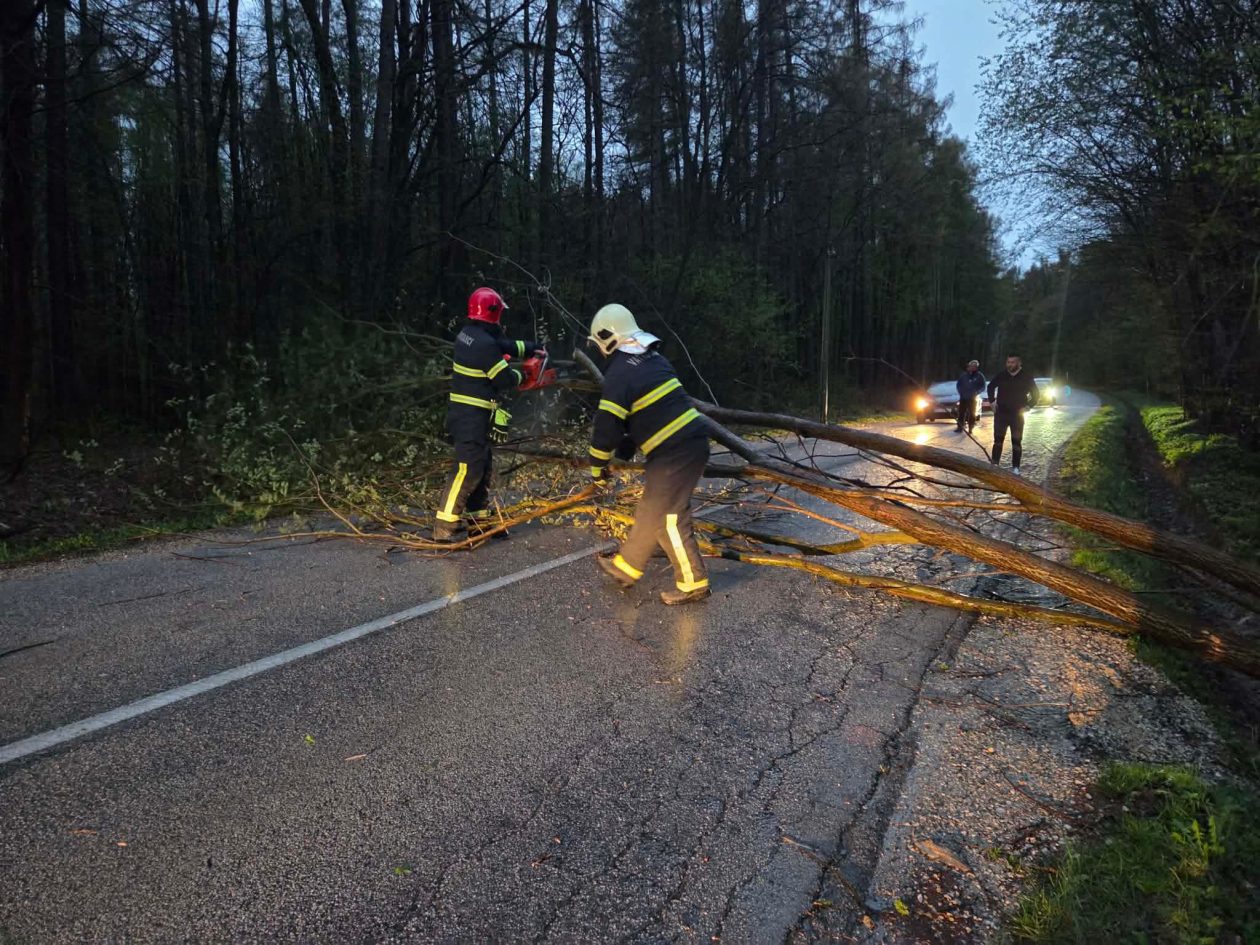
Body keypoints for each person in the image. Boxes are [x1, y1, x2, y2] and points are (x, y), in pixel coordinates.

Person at [586, 303, 711, 606]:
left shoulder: (618, 375)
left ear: (606, 338)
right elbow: (635, 423)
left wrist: (597, 468)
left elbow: (607, 429)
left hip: (674, 452)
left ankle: (692, 582)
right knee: (653, 511)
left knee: (666, 517)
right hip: (688, 444)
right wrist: (623, 456)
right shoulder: (653, 360)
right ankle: (625, 570)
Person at [433, 287, 543, 542]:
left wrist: (531, 348)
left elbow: (502, 345)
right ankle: (443, 527)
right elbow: (503, 378)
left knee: (481, 468)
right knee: (467, 470)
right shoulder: (483, 345)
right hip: (470, 418)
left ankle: (479, 523)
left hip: (472, 416)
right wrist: (526, 374)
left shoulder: (469, 334)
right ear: (494, 313)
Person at [987, 354, 1039, 475]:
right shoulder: (1002, 375)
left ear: (1019, 363)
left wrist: (1029, 406)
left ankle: (1016, 467)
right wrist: (992, 401)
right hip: (1001, 414)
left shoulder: (1026, 377)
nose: (1009, 365)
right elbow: (990, 387)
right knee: (998, 440)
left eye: (1012, 362)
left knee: (1016, 441)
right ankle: (995, 465)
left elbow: (1036, 394)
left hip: (1017, 415)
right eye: (1008, 362)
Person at [955, 359, 987, 433]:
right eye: (970, 366)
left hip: (973, 398)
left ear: (976, 367)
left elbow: (983, 387)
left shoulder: (979, 376)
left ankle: (971, 427)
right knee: (961, 413)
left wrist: (977, 392)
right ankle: (960, 427)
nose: (972, 367)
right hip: (963, 397)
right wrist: (960, 392)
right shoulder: (964, 375)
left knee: (972, 413)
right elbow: (958, 385)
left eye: (974, 366)